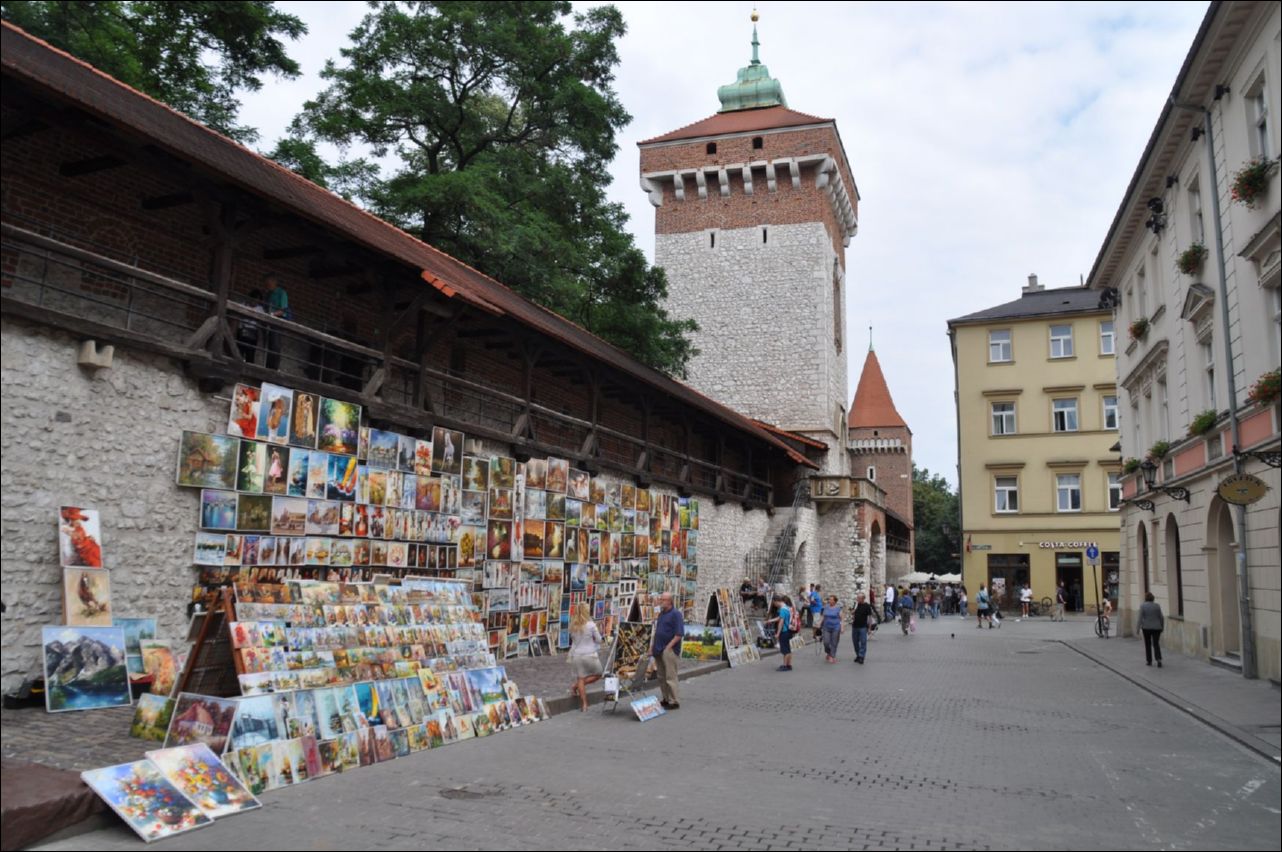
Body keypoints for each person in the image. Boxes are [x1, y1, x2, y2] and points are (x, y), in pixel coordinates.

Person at [567, 603, 604, 711]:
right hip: (590, 654)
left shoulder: (573, 625)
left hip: (577, 655)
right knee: (599, 674)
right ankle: (575, 686)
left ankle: (584, 705)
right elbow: (599, 640)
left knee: (581, 679)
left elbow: (573, 640)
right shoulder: (591, 625)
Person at [650, 592, 684, 708]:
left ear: (669, 601)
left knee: (670, 675)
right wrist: (652, 647)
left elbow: (679, 634)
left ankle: (674, 700)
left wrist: (668, 647)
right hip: (658, 649)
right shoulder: (661, 614)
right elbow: (657, 632)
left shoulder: (676, 614)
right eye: (660, 599)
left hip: (669, 650)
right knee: (661, 676)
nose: (660, 601)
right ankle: (665, 698)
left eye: (663, 599)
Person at [263, 275, 289, 370]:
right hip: (269, 319)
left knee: (275, 344)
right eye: (266, 284)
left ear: (274, 282)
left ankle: (274, 368)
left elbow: (283, 310)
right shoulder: (269, 294)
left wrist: (273, 314)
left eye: (269, 283)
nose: (267, 286)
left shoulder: (282, 293)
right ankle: (268, 367)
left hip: (278, 319)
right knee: (270, 344)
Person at [234, 288, 264, 363]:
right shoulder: (243, 305)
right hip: (242, 330)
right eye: (254, 299)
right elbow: (237, 318)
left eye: (257, 300)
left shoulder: (260, 309)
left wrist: (260, 337)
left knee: (250, 354)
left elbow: (260, 324)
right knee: (239, 352)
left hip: (253, 333)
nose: (255, 302)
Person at [767, 596, 796, 671]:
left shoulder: (782, 610)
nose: (775, 605)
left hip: (784, 631)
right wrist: (771, 620)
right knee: (788, 648)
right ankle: (789, 664)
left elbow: (781, 622)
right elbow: (780, 618)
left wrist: (778, 633)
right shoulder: (787, 608)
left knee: (784, 650)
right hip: (788, 630)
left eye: (774, 603)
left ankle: (785, 665)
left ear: (777, 601)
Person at [1139, 592, 1164, 667]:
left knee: (1148, 644)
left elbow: (1140, 618)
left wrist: (1137, 628)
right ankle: (1158, 659)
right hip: (1157, 628)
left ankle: (1149, 661)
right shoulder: (1157, 606)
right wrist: (1162, 626)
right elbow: (1161, 617)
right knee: (1156, 643)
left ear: (1146, 598)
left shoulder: (1143, 606)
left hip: (1146, 628)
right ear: (1153, 598)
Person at [850, 592, 876, 664]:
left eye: (859, 598)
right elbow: (852, 613)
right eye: (857, 598)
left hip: (863, 626)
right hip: (855, 626)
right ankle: (858, 655)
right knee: (855, 642)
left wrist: (869, 628)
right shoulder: (855, 605)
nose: (857, 599)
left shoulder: (867, 606)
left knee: (863, 642)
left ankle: (861, 656)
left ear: (863, 599)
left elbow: (869, 617)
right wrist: (853, 611)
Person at [819, 594, 843, 663]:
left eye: (831, 600)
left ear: (835, 601)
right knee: (826, 642)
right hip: (826, 627)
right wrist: (819, 623)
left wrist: (842, 627)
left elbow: (841, 618)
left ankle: (832, 656)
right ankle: (828, 652)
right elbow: (823, 616)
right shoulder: (826, 607)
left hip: (836, 627)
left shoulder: (838, 608)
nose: (829, 601)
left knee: (834, 642)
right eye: (829, 599)